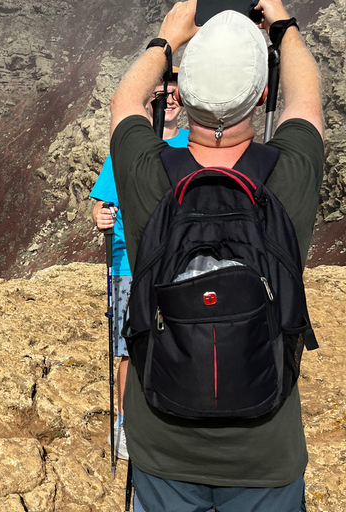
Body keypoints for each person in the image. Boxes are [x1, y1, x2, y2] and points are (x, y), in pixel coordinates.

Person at [109, 0, 324, 510]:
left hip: (163, 444)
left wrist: (166, 40)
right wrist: (284, 26)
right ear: (262, 95)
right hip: (265, 451)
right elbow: (307, 102)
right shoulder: (289, 174)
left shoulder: (147, 173)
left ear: (182, 95)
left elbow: (124, 102)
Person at [90, 69, 188, 461]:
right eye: (163, 91)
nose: (170, 97)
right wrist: (99, 217)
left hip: (175, 262)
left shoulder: (191, 147)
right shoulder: (128, 150)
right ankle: (127, 425)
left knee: (175, 343)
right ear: (150, 99)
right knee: (132, 348)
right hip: (129, 262)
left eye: (177, 91)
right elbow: (101, 205)